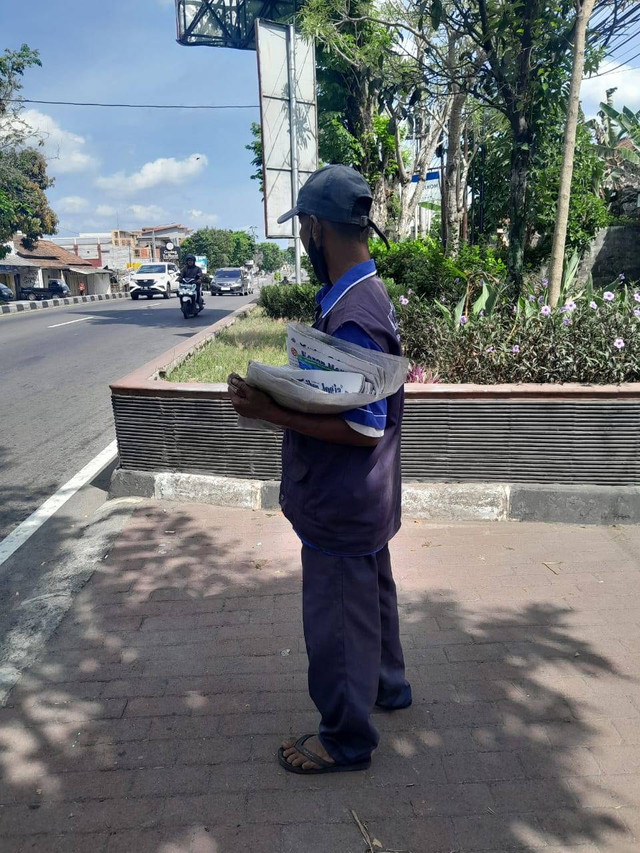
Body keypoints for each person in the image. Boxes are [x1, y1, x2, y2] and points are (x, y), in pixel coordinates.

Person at [227, 165, 411, 775]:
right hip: (367, 498)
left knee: (337, 622)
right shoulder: (358, 295)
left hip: (342, 501)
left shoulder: (354, 313)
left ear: (312, 228)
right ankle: (389, 687)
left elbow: (364, 427)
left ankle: (345, 740)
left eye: (302, 228)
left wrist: (268, 411)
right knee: (373, 597)